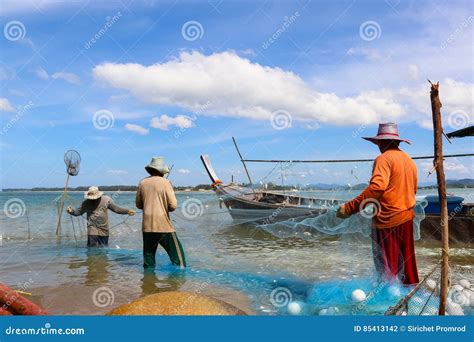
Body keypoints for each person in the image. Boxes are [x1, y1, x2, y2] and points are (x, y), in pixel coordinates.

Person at [336, 123, 419, 285]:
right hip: (407, 218)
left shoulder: (383, 159)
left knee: (387, 270)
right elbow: (413, 190)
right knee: (407, 267)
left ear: (382, 142)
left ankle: (387, 304)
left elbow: (376, 188)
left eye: (378, 143)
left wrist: (349, 208)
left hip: (387, 222)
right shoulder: (409, 161)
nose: (378, 147)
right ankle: (411, 298)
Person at [136, 157, 186, 269]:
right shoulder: (166, 182)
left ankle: (148, 283)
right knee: (179, 260)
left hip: (147, 227)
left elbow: (138, 205)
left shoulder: (142, 182)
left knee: (148, 262)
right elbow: (173, 206)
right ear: (161, 171)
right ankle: (179, 284)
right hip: (164, 227)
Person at [67, 186, 135, 247]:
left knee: (103, 248)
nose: (92, 199)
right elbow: (78, 212)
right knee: (92, 248)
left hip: (104, 228)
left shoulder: (106, 200)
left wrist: (127, 211)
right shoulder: (86, 203)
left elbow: (116, 209)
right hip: (92, 228)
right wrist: (71, 211)